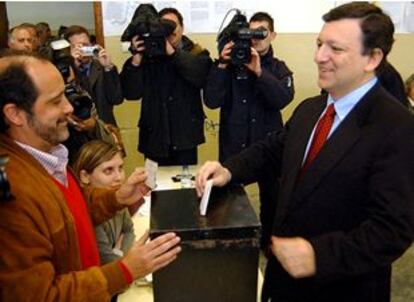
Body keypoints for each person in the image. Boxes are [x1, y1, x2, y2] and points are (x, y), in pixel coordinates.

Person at [196, 3, 414, 302]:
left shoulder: (396, 126)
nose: (319, 56)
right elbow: (274, 150)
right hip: (283, 282)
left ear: (372, 58)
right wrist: (229, 169)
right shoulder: (311, 109)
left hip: (341, 288)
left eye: (335, 48)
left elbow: (393, 230)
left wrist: (317, 256)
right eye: (319, 44)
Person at [0, 51, 181, 301]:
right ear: (15, 114)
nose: (69, 107)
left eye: (65, 94)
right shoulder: (12, 192)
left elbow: (67, 211)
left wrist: (116, 198)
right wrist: (124, 271)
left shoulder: (48, 157)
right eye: (54, 101)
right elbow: (40, 295)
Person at [204, 11, 294, 248]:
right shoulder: (230, 66)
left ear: (272, 35)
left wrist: (259, 72)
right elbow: (211, 100)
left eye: (261, 32)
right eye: (250, 32)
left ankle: (269, 247)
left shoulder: (278, 68)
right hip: (234, 146)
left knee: (273, 203)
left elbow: (282, 99)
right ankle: (232, 245)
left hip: (268, 148)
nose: (255, 38)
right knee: (229, 202)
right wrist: (222, 64)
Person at [120, 7, 212, 166]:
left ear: (182, 28)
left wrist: (171, 52)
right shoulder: (147, 57)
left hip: (185, 139)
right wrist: (136, 57)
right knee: (153, 186)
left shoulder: (197, 53)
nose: (169, 31)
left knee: (185, 188)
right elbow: (131, 93)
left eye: (173, 26)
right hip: (153, 138)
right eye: (164, 26)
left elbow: (201, 77)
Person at [73, 140, 135, 264]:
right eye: (108, 170)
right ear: (85, 176)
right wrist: (118, 253)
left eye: (120, 168)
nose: (119, 178)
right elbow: (109, 262)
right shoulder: (88, 212)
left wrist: (118, 251)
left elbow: (129, 231)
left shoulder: (116, 196)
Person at [65, 25, 123, 126]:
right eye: (78, 46)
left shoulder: (101, 67)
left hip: (104, 129)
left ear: (92, 45)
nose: (83, 49)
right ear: (69, 49)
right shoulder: (66, 71)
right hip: (78, 129)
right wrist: (73, 66)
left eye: (85, 45)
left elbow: (116, 99)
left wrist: (108, 67)